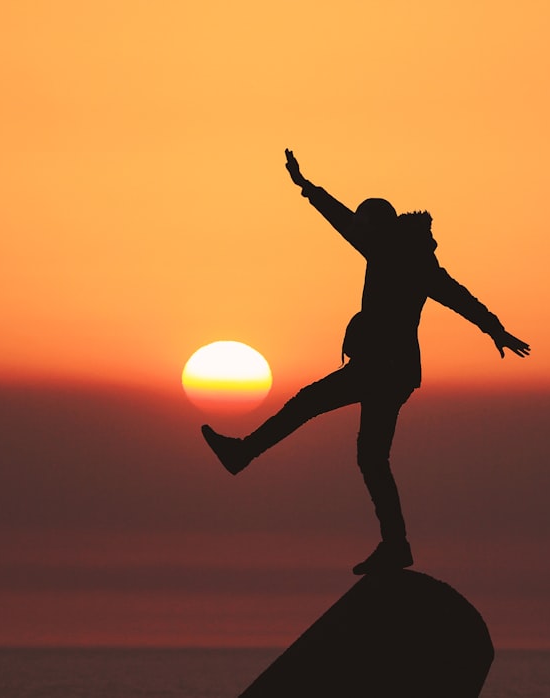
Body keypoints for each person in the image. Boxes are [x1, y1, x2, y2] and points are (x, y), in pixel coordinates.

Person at [202, 149, 530, 575]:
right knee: (371, 457)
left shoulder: (400, 255)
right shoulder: (401, 252)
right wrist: (307, 188)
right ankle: (395, 545)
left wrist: (495, 328)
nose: (358, 233)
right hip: (392, 372)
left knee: (309, 404)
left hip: (382, 368)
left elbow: (458, 296)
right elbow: (346, 223)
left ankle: (243, 454)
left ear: (376, 226)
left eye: (363, 226)